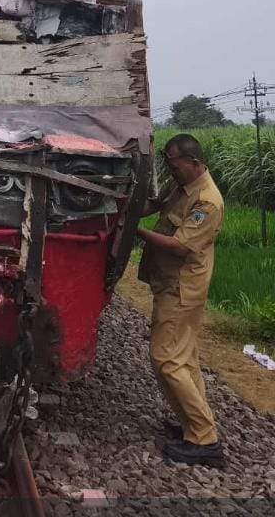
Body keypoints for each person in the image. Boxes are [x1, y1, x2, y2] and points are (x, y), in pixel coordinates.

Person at [137, 134, 225, 467]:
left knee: (166, 358)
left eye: (175, 167)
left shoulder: (207, 202)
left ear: (194, 163)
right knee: (184, 359)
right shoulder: (180, 184)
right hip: (169, 283)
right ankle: (195, 426)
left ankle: (205, 441)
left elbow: (181, 246)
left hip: (181, 289)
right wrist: (125, 209)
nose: (171, 172)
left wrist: (135, 231)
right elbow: (154, 204)